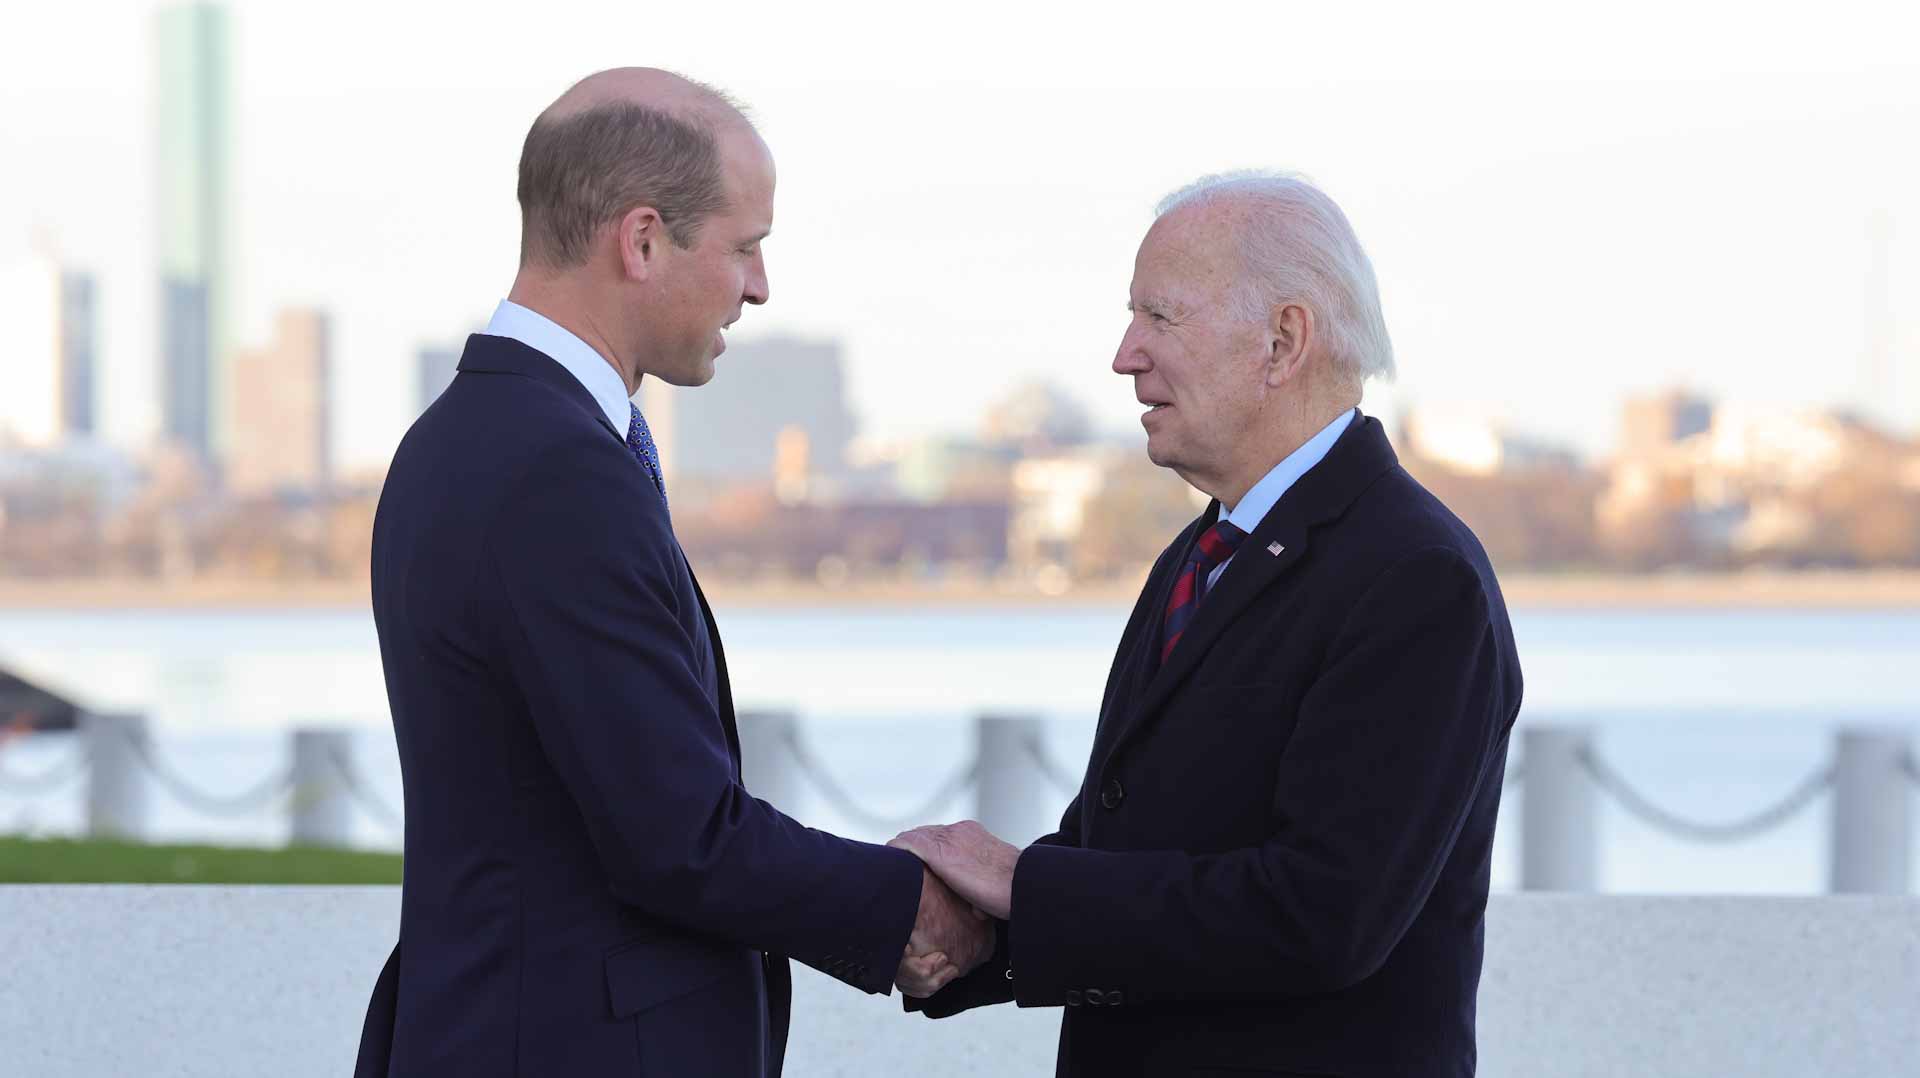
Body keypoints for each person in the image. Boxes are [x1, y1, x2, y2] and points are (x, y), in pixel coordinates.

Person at [352, 68, 989, 1078]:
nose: (761, 285)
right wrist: (914, 908)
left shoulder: (465, 438)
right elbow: (679, 836)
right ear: (642, 241)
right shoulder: (555, 468)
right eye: (746, 246)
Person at [892, 172, 1524, 1077]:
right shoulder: (1204, 553)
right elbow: (1128, 856)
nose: (1124, 355)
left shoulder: (1416, 577)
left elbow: (1320, 917)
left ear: (1284, 340)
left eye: (1161, 317)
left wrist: (1021, 885)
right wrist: (961, 932)